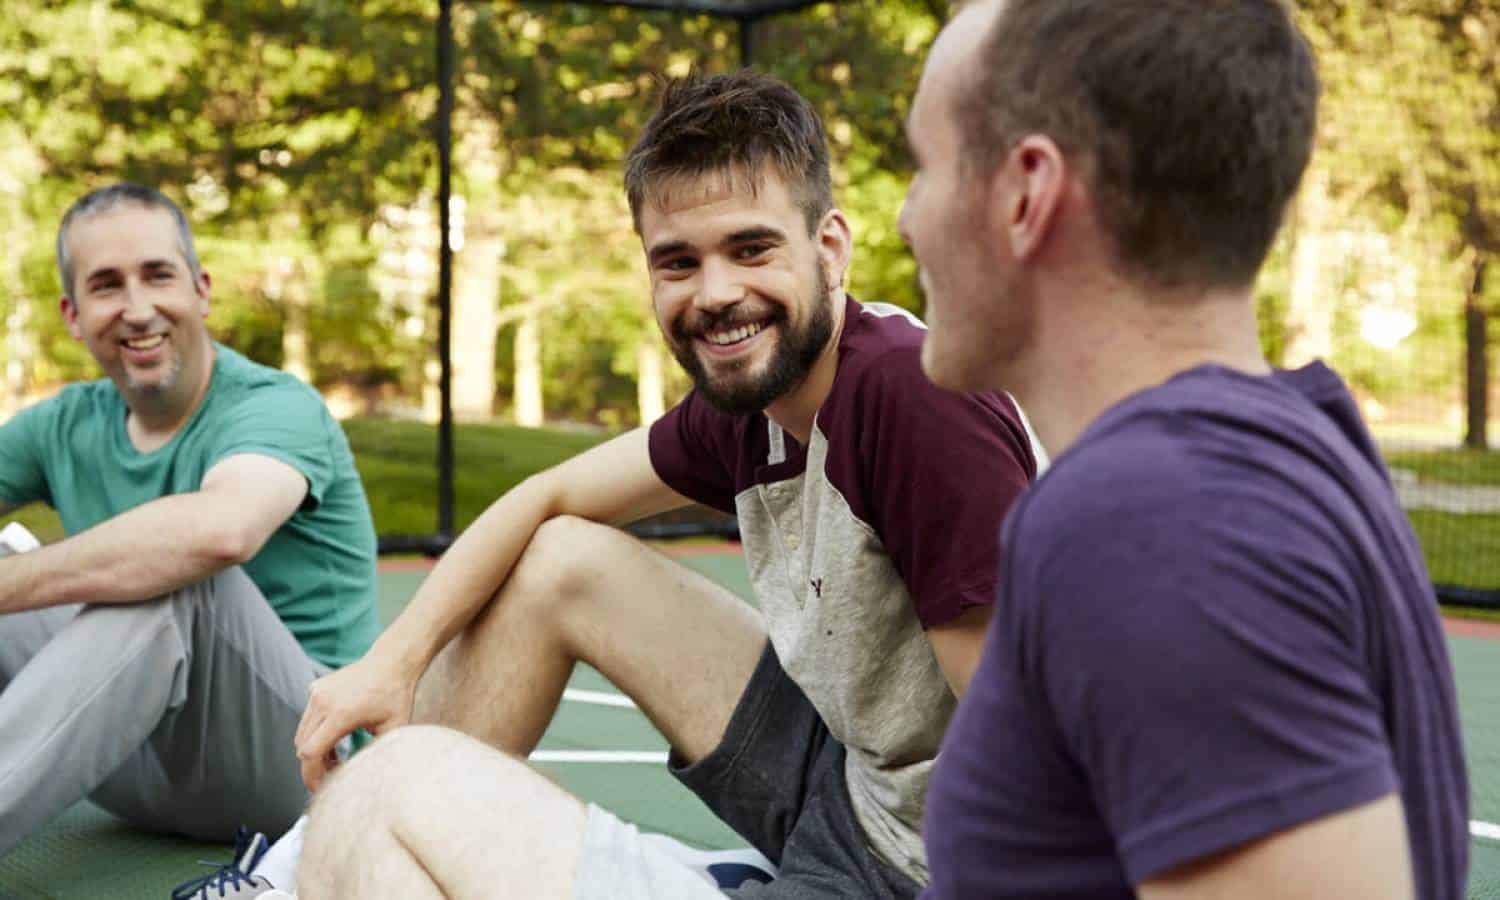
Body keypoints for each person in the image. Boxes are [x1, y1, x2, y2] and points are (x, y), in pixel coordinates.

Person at [289, 70, 1040, 899]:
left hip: (930, 863)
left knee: (401, 797)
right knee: (561, 562)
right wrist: (391, 663)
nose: (716, 295)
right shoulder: (752, 399)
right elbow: (544, 499)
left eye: (751, 249)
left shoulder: (910, 400)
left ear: (829, 248)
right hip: (853, 775)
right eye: (679, 262)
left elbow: (1030, 744)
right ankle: (310, 859)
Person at [899, 1, 1470, 897]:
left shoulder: (1159, 521)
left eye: (923, 166)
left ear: (1024, 194)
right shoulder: (1260, 457)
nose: (905, 220)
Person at [0, 184, 381, 865]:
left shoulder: (276, 405)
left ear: (201, 290)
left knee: (182, 583)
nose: (138, 309)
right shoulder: (61, 423)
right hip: (135, 766)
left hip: (296, 764)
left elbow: (221, 532)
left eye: (158, 275)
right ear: (74, 315)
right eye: (107, 285)